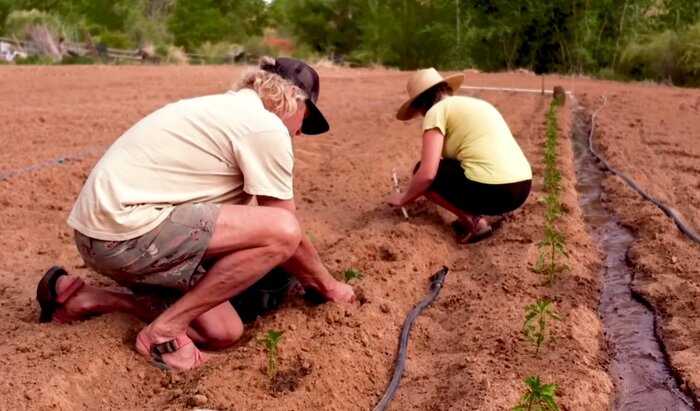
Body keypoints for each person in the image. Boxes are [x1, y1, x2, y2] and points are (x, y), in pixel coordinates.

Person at [36, 57, 355, 371]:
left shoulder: (226, 109)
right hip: (128, 232)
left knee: (222, 331)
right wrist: (328, 286)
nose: (300, 133)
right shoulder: (265, 127)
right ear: (292, 100)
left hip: (100, 237)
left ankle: (89, 298)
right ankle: (164, 332)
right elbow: (287, 231)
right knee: (283, 229)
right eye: (306, 119)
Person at [387, 68, 532, 243]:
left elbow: (427, 174)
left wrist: (404, 198)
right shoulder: (476, 104)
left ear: (420, 104)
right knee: (448, 166)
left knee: (422, 170)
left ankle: (474, 222)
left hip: (495, 191)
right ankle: (492, 212)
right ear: (444, 89)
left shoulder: (436, 111)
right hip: (522, 189)